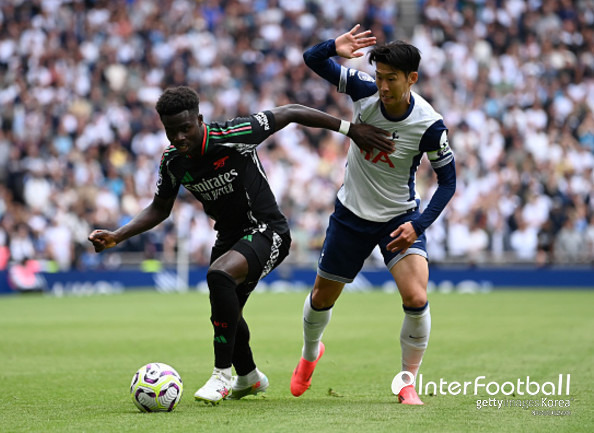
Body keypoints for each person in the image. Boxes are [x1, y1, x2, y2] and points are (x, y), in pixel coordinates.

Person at [88, 86, 394, 405]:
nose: (178, 137)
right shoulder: (172, 162)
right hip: (229, 237)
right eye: (170, 130)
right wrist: (117, 235)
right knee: (225, 310)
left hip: (267, 230)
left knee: (219, 276)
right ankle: (248, 377)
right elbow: (159, 208)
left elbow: (289, 112)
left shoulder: (234, 133)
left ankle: (221, 375)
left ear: (200, 120)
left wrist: (350, 129)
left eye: (185, 128)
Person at [290, 25, 456, 405]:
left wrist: (417, 225)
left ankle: (407, 383)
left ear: (412, 79)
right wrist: (335, 46)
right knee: (321, 297)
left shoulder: (430, 125)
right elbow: (312, 59)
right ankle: (310, 354)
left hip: (399, 218)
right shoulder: (363, 90)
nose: (382, 86)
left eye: (391, 79)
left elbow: (448, 182)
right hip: (351, 214)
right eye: (379, 77)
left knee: (416, 297)